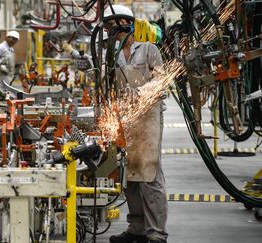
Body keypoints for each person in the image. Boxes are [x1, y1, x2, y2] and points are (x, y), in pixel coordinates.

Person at [104, 5, 168, 243]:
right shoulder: (111, 52)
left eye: (111, 26)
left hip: (149, 117)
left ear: (124, 21)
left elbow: (162, 82)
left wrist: (140, 94)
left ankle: (156, 234)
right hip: (125, 118)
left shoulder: (149, 48)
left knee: (149, 175)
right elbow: (108, 85)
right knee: (128, 174)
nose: (108, 31)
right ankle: (137, 229)